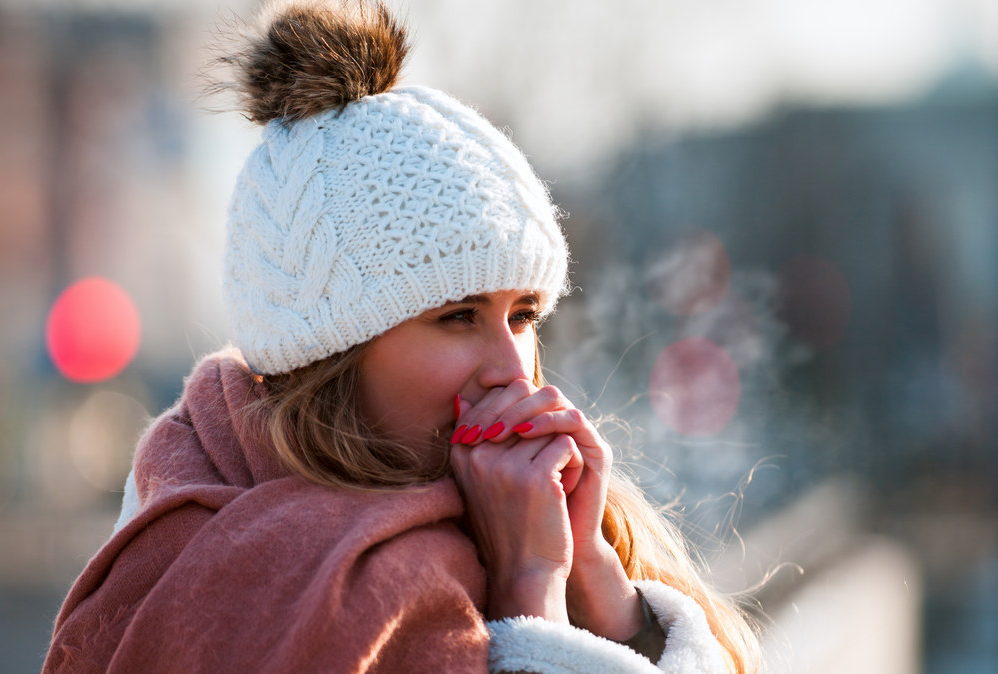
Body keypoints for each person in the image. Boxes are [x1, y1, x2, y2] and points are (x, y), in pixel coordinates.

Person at [42, 1, 760, 672]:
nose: (514, 370)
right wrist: (529, 592)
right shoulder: (243, 568)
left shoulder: (555, 522)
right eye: (457, 317)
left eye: (524, 315)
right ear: (331, 356)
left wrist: (604, 589)